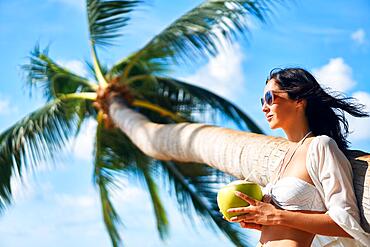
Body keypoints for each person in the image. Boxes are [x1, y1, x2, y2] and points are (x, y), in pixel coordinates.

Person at [225, 68, 370, 246]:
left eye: (270, 98)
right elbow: (293, 224)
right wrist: (263, 223)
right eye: (262, 101)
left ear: (299, 100)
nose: (264, 107)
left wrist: (275, 216)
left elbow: (345, 222)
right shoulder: (283, 158)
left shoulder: (321, 146)